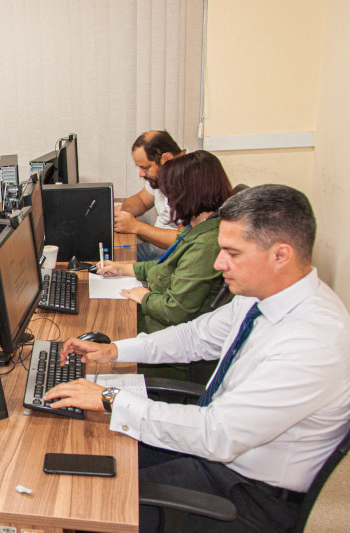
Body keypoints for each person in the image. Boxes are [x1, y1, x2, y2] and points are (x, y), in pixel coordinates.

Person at [45, 185, 350, 532]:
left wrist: (110, 397)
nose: (220, 264)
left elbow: (216, 434)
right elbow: (194, 337)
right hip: (213, 450)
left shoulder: (313, 342)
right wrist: (115, 350)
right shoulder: (263, 296)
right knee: (82, 457)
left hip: (243, 493)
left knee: (89, 501)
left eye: (232, 253)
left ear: (280, 255)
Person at [99, 151, 232, 334]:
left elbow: (174, 311)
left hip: (166, 333)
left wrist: (144, 296)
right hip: (160, 317)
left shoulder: (205, 246)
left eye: (171, 192)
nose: (169, 199)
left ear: (187, 193)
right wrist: (124, 268)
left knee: (101, 321)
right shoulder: (198, 225)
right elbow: (169, 266)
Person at [115, 130, 185, 261]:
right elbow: (141, 200)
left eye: (145, 168)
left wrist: (136, 226)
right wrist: (121, 211)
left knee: (109, 265)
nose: (141, 174)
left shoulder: (190, 181)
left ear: (166, 158)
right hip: (155, 249)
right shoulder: (163, 176)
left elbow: (184, 240)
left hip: (172, 258)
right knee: (105, 260)